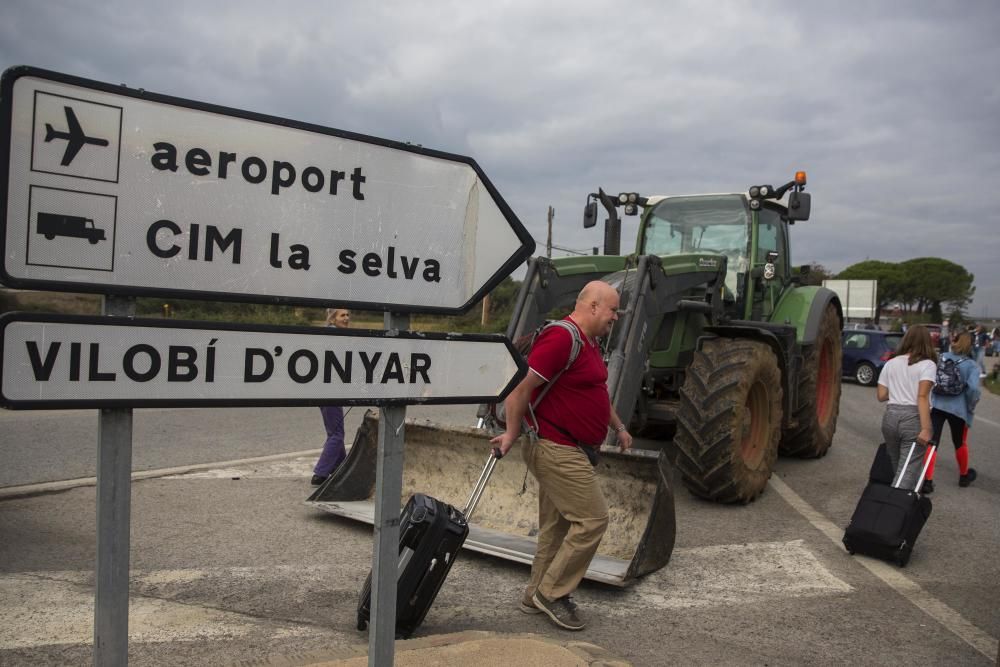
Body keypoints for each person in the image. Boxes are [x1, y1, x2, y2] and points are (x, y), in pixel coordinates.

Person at [490, 281, 632, 632]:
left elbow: (597, 389)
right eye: (613, 310)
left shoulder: (590, 343)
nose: (616, 317)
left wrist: (619, 426)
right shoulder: (562, 338)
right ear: (594, 306)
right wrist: (511, 433)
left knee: (556, 528)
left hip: (571, 448)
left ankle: (535, 594)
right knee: (593, 519)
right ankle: (553, 593)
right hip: (556, 448)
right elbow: (519, 388)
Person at [876, 324, 937, 490]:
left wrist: (899, 389)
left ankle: (904, 501)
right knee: (907, 471)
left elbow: (881, 395)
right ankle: (893, 508)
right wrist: (926, 428)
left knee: (899, 467)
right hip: (912, 419)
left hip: (890, 417)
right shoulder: (928, 365)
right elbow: (922, 396)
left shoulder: (891, 363)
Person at [922, 332, 980, 493]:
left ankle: (927, 481)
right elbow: (974, 389)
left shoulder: (942, 357)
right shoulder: (972, 365)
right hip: (958, 409)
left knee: (932, 443)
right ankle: (963, 476)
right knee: (959, 442)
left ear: (954, 341)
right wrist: (971, 405)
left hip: (938, 406)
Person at [312, 308, 351, 486]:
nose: (347, 318)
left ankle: (341, 468)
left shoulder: (329, 336)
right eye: (342, 315)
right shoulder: (335, 338)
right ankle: (320, 473)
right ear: (332, 319)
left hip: (324, 390)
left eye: (348, 315)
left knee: (334, 430)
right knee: (337, 434)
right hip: (330, 391)